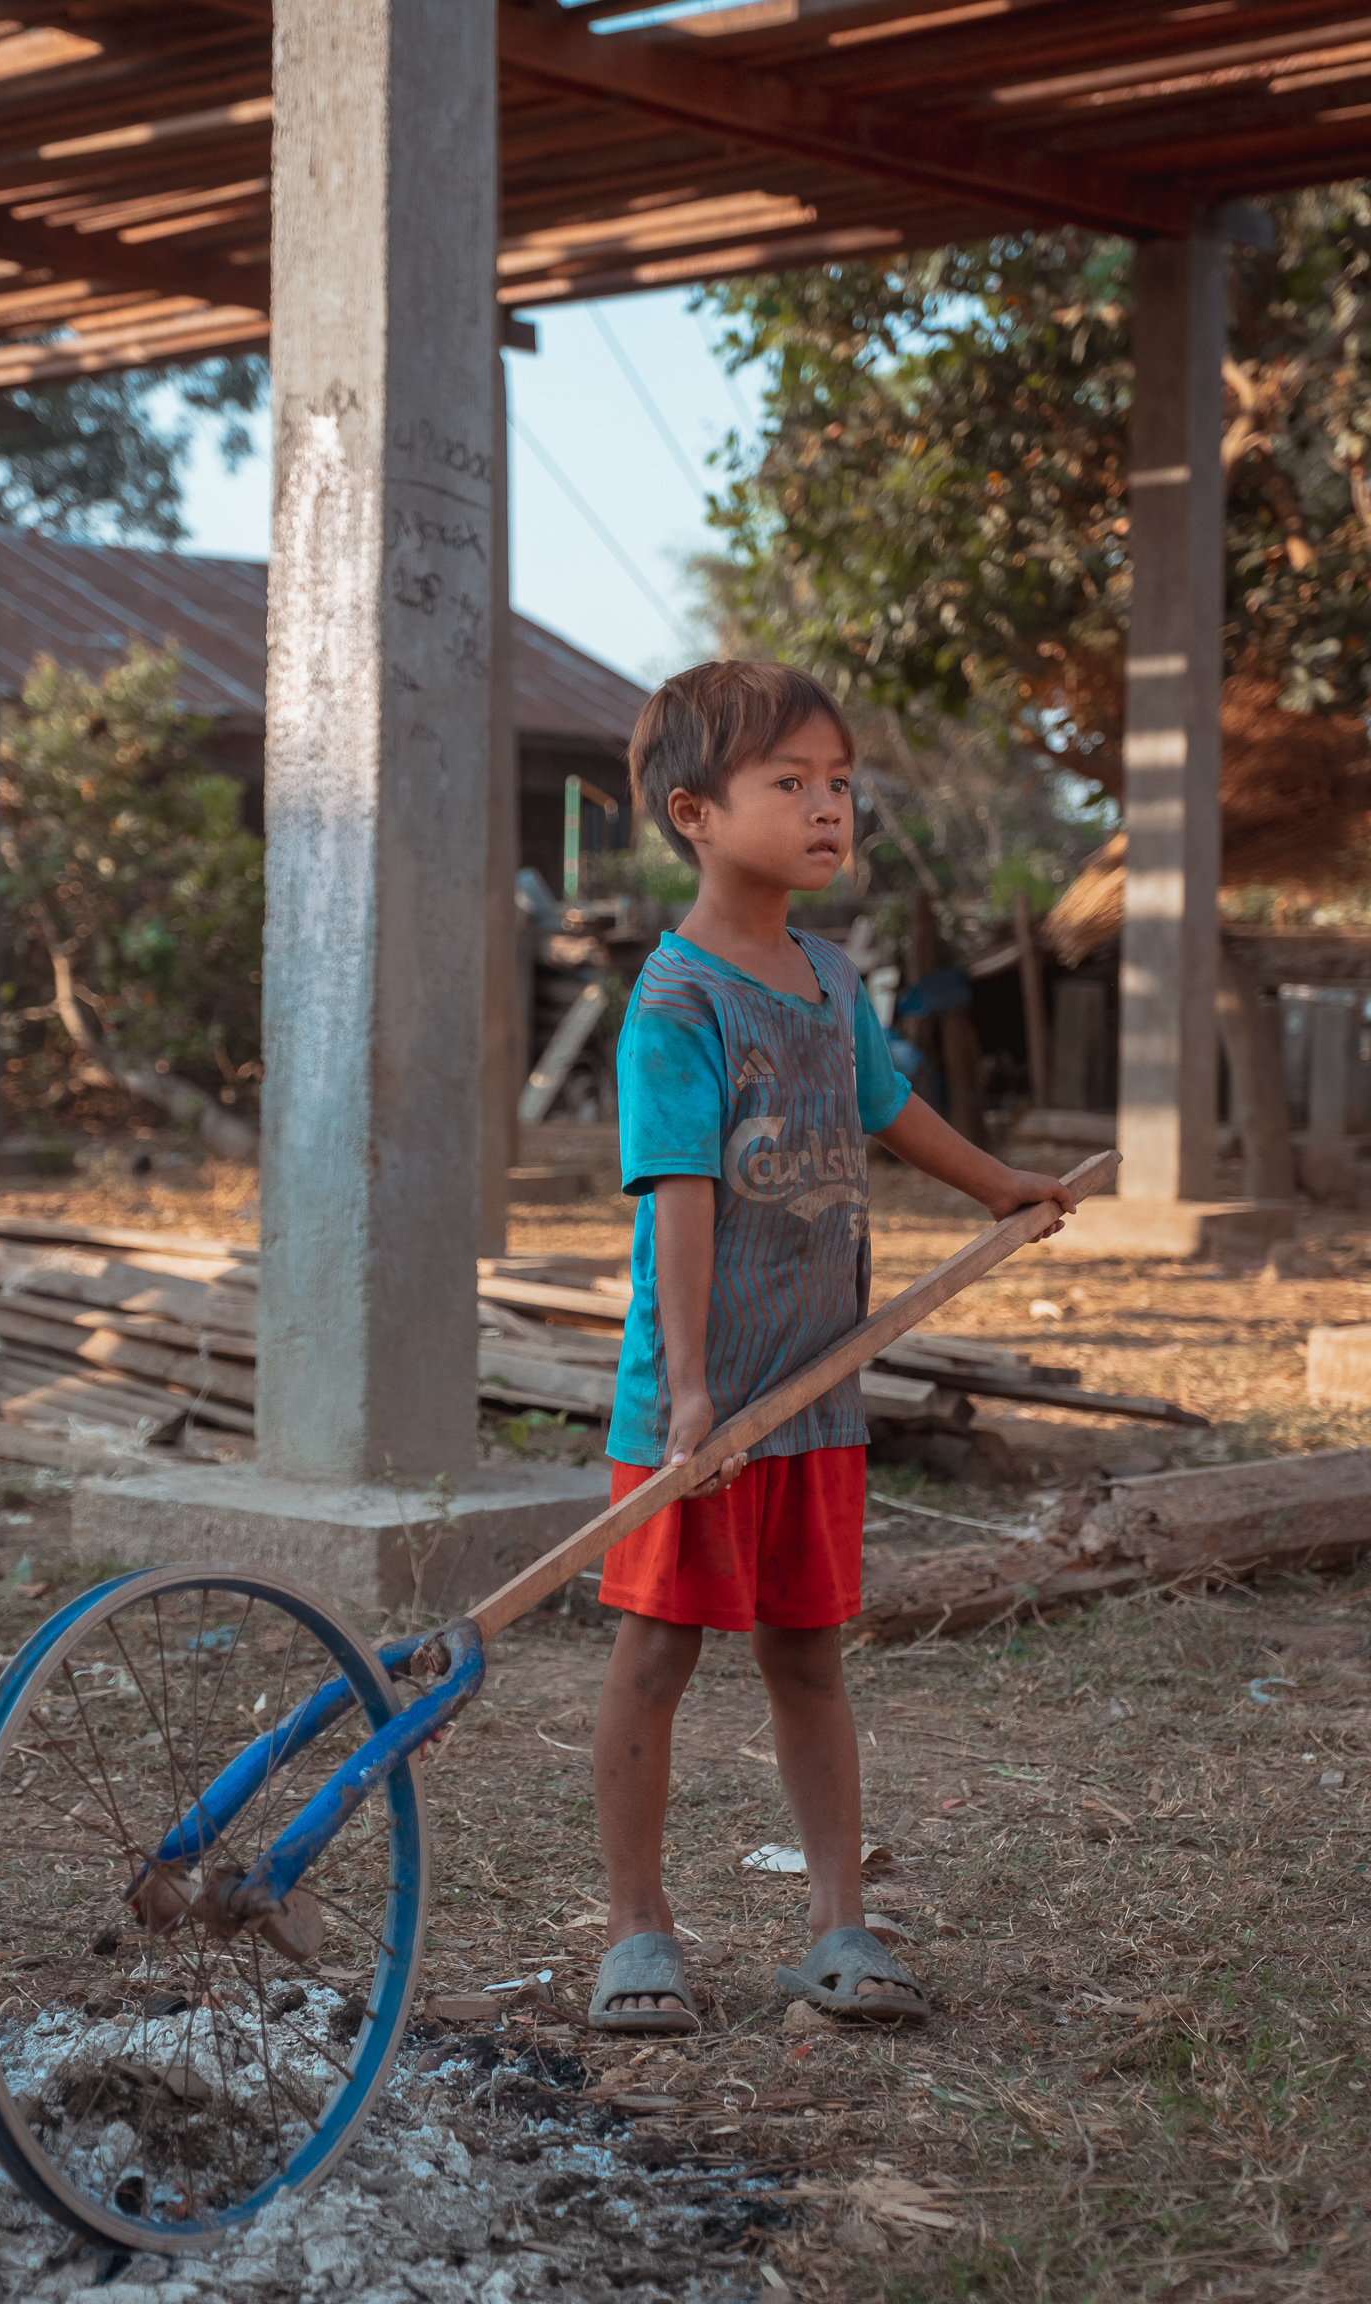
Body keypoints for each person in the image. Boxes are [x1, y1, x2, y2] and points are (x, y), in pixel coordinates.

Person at [588, 661, 1076, 2034]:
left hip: (816, 1404)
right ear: (694, 812)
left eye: (841, 784)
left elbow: (888, 1108)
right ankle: (637, 1932)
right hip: (701, 1411)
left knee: (809, 1659)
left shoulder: (829, 975)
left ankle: (837, 1927)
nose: (827, 808)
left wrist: (998, 1190)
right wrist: (689, 1395)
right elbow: (678, 1197)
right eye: (789, 783)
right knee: (654, 1657)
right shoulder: (677, 1004)